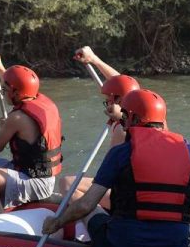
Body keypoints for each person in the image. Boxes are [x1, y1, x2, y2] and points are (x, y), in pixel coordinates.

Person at [42, 89, 190, 247]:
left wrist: (56, 223)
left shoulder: (121, 152)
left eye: (125, 115)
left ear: (132, 117)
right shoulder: (186, 150)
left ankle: (82, 240)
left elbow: (86, 205)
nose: (123, 120)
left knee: (92, 210)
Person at [58, 46, 141, 207]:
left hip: (130, 200)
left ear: (116, 101)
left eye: (108, 99)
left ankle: (97, 221)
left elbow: (109, 174)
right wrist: (93, 59)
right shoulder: (148, 113)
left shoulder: (121, 130)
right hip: (150, 192)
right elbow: (124, 84)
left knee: (66, 184)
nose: (107, 102)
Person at [0, 54, 63, 208]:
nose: (3, 92)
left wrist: (4, 128)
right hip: (32, 173)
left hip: (35, 183)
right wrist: (0, 67)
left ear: (16, 93)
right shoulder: (42, 100)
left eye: (4, 89)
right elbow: (19, 84)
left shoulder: (17, 118)